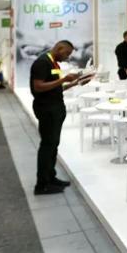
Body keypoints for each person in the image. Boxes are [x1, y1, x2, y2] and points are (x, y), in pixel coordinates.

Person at [29, 40, 90, 196]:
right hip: (47, 109)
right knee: (47, 145)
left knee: (53, 144)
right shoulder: (42, 62)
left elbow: (55, 87)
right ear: (59, 48)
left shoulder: (53, 63)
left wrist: (75, 82)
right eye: (67, 53)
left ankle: (51, 177)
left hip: (55, 107)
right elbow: (38, 86)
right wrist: (63, 79)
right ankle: (41, 184)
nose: (68, 57)